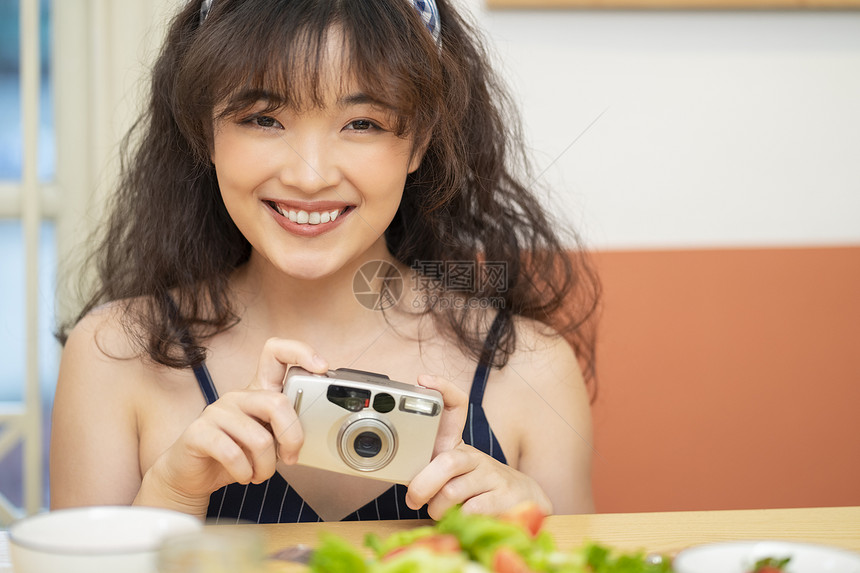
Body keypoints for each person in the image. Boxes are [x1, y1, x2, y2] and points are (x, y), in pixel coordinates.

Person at [50, 0, 600, 523]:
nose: (309, 176)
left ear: (419, 142)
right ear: (205, 130)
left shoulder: (533, 369)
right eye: (264, 118)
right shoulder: (113, 357)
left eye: (362, 123)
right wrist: (171, 492)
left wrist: (536, 546)